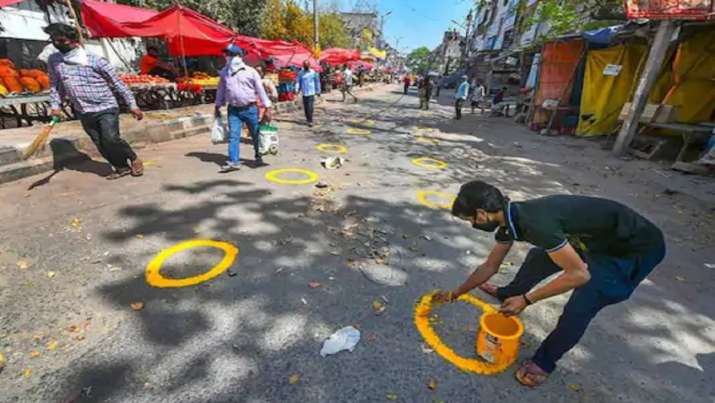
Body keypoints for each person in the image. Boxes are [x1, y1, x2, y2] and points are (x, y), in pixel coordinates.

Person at [435, 181, 665, 387]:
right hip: (597, 240)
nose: (472, 224)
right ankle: (509, 293)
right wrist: (456, 293)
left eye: (470, 220)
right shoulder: (510, 218)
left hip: (633, 248)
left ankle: (544, 362)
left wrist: (527, 300)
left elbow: (578, 275)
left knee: (582, 304)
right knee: (538, 257)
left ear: (482, 213)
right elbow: (489, 266)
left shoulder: (536, 224)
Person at [45, 23, 144, 180]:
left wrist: (133, 105)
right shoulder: (54, 60)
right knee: (100, 143)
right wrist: (55, 106)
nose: (57, 44)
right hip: (82, 110)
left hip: (106, 106)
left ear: (73, 40)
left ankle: (133, 157)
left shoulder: (96, 60)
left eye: (61, 41)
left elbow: (118, 83)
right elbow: (55, 85)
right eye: (53, 40)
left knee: (111, 139)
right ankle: (121, 167)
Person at [215, 44, 272, 173]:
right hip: (233, 110)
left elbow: (260, 90)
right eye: (227, 55)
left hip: (250, 109)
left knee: (255, 134)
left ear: (239, 56)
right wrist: (218, 105)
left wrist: (268, 107)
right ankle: (233, 161)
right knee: (233, 136)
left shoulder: (250, 72)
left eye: (231, 55)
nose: (228, 57)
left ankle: (258, 155)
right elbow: (221, 90)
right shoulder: (225, 72)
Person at [296, 60, 321, 127]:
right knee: (306, 108)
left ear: (309, 65)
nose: (306, 66)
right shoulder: (300, 73)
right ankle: (308, 119)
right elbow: (298, 81)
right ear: (303, 66)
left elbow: (317, 82)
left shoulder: (313, 72)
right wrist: (297, 89)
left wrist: (318, 91)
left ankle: (310, 121)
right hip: (304, 92)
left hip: (311, 92)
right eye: (304, 65)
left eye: (307, 65)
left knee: (310, 107)